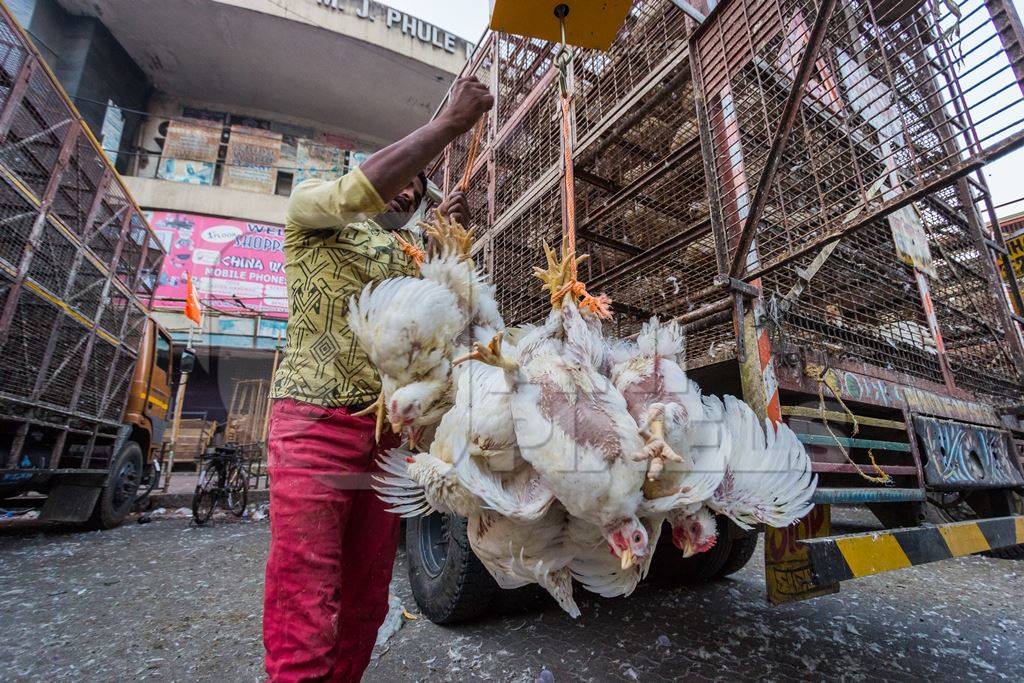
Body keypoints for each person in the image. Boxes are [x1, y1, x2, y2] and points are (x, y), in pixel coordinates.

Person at [263, 76, 493, 682]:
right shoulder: (314, 210)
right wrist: (447, 127)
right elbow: (358, 192)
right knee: (306, 598)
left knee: (366, 602)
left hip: (387, 441)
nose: (407, 188)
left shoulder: (406, 255)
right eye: (400, 174)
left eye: (417, 185)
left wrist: (448, 241)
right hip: (313, 423)